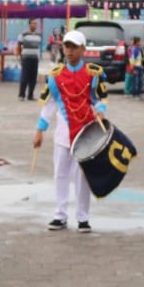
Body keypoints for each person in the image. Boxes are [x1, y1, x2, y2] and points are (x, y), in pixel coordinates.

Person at [34, 29, 108, 233]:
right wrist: (40, 130)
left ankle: (83, 217)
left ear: (83, 49)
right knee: (60, 174)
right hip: (62, 135)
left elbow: (99, 99)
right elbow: (49, 106)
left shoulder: (93, 74)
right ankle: (60, 215)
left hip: (85, 134)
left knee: (82, 177)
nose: (69, 50)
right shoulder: (55, 76)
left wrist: (101, 111)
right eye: (67, 46)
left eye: (74, 47)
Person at [17, 19, 42, 101]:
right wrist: (20, 55)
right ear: (29, 24)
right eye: (33, 23)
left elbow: (38, 47)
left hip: (35, 58)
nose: (35, 25)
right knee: (24, 77)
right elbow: (19, 46)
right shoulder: (23, 34)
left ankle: (30, 95)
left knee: (33, 78)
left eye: (36, 24)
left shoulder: (39, 35)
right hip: (26, 58)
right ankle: (22, 95)